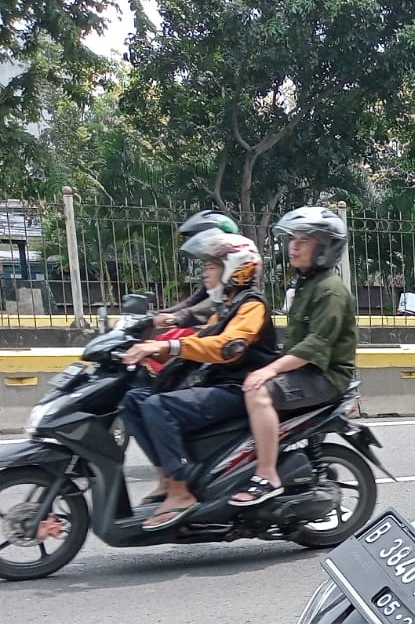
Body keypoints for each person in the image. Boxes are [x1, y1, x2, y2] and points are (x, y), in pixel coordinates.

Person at [121, 233, 277, 530]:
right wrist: (149, 348)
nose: (205, 273)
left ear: (235, 268)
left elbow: (227, 346)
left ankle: (181, 493)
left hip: (237, 389)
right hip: (214, 383)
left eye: (212, 266)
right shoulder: (225, 305)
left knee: (158, 406)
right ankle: (167, 480)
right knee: (134, 400)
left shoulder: (251, 306)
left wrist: (167, 347)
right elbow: (199, 340)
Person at [230, 206, 356, 506]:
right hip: (306, 369)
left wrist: (268, 371)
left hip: (325, 376)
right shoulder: (305, 285)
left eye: (304, 240)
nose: (294, 246)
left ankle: (267, 474)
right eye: (293, 239)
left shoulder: (330, 291)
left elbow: (314, 346)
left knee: (259, 391)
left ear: (325, 247)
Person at [154, 210, 239, 330]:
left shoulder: (237, 274)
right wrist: (160, 313)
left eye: (205, 238)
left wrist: (177, 317)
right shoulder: (213, 269)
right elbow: (195, 300)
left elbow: (216, 302)